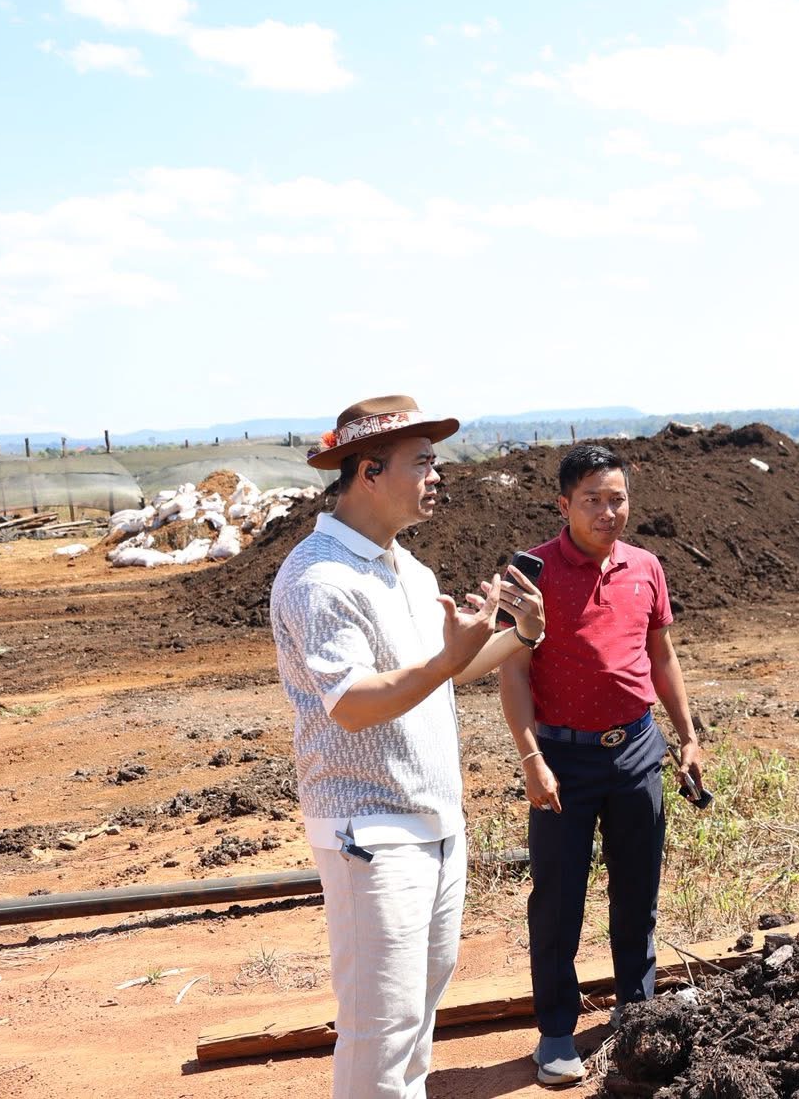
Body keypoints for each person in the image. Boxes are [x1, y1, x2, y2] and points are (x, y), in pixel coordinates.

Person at [270, 394, 546, 1099]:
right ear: (368, 471)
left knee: (416, 1022)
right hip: (370, 830)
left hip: (434, 824)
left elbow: (442, 672)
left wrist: (520, 635)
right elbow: (354, 704)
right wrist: (448, 658)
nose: (436, 475)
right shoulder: (319, 577)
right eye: (421, 462)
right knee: (380, 1029)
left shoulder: (409, 570)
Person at [499, 443, 704, 1087]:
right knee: (558, 899)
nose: (607, 512)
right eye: (592, 499)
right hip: (563, 756)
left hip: (637, 748)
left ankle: (635, 1015)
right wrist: (531, 757)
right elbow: (512, 672)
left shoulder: (645, 567)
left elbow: (661, 656)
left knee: (637, 890)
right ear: (564, 505)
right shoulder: (529, 572)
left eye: (617, 499)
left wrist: (687, 736)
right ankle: (557, 1033)